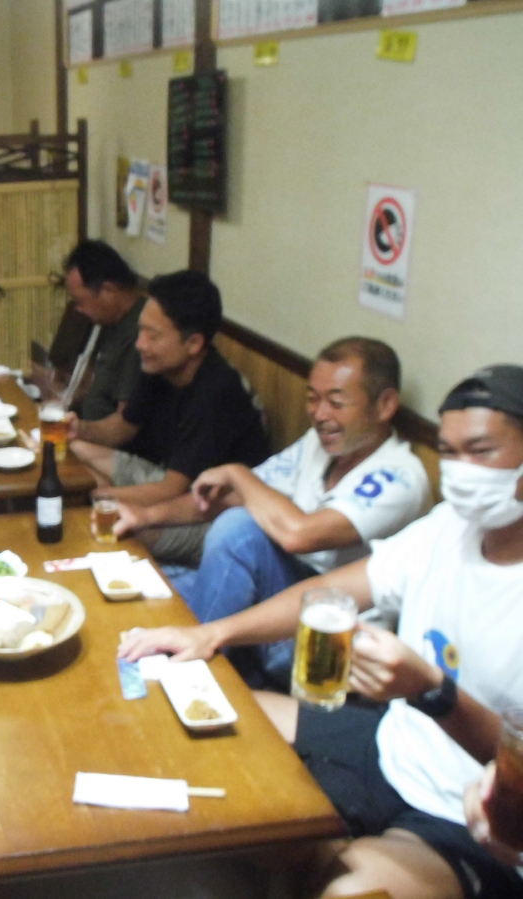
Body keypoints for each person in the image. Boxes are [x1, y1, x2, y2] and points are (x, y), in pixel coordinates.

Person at [119, 364, 523, 899]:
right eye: (448, 452)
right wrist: (211, 634)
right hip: (388, 743)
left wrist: (432, 690)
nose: (461, 472)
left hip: (463, 812)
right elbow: (331, 591)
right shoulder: (448, 526)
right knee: (185, 709)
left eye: (482, 451)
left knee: (347, 889)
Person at [114, 337, 432, 685]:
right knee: (154, 587)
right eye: (313, 398)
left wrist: (238, 473)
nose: (320, 414)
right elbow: (231, 496)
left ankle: (189, 678)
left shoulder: (400, 477)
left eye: (336, 402)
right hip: (276, 603)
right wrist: (145, 517)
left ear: (385, 405)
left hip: (329, 643)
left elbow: (299, 535)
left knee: (239, 531)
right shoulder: (317, 445)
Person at [69, 269, 268, 564]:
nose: (140, 343)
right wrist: (79, 429)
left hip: (215, 512)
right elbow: (122, 428)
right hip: (170, 480)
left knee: (116, 527)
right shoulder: (159, 365)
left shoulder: (216, 392)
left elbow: (173, 490)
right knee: (73, 448)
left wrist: (95, 496)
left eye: (153, 335)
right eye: (141, 331)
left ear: (193, 344)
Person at [40, 240, 145, 446]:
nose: (77, 309)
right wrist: (59, 400)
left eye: (79, 301)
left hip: (105, 449)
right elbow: (91, 383)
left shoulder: (138, 335)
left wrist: (77, 429)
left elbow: (124, 427)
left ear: (108, 291)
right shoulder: (108, 320)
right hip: (84, 431)